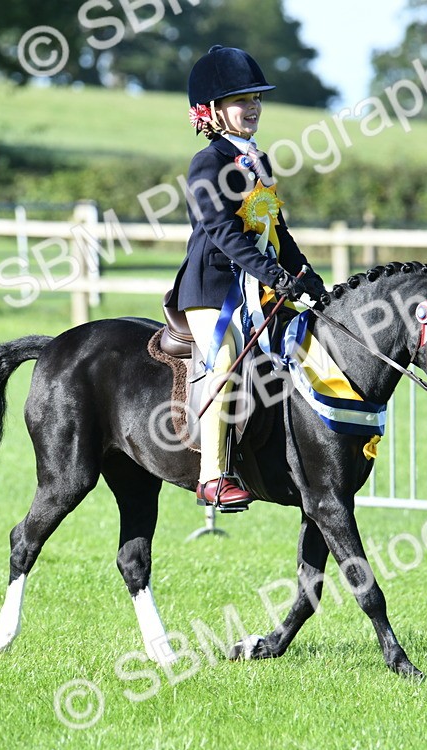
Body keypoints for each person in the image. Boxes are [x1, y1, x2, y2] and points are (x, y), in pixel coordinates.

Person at [166, 45, 326, 510]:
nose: (253, 106)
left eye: (256, 98)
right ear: (213, 111)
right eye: (241, 100)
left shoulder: (258, 160)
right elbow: (222, 233)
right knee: (226, 359)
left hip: (259, 284)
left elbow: (276, 228)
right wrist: (276, 275)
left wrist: (304, 274)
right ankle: (213, 476)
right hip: (211, 289)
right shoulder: (208, 163)